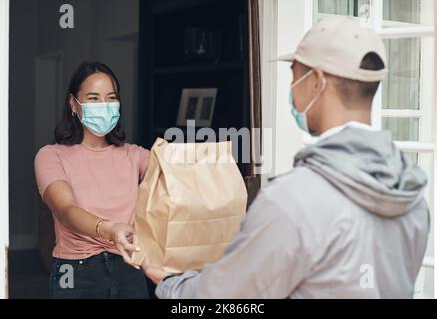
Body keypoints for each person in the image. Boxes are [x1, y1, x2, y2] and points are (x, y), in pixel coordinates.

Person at [142, 16, 430, 299]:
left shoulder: (292, 198)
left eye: (294, 75)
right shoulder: (411, 194)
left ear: (316, 81)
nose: (292, 88)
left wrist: (170, 284)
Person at [34, 61, 150, 299]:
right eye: (94, 98)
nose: (104, 106)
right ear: (73, 104)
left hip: (130, 267)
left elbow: (176, 179)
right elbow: (66, 210)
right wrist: (111, 229)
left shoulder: (134, 155)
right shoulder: (51, 155)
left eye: (111, 98)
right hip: (76, 274)